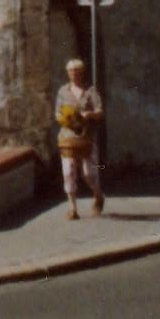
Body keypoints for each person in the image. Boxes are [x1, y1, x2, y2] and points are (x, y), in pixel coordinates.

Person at [54, 57, 105, 218]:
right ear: (68, 73)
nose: (74, 75)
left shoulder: (90, 91)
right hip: (68, 136)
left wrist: (89, 114)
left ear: (82, 73)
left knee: (88, 173)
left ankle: (98, 195)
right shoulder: (63, 92)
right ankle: (73, 208)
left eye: (77, 72)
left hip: (86, 137)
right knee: (68, 171)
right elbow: (57, 112)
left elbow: (100, 111)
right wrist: (64, 119)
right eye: (71, 72)